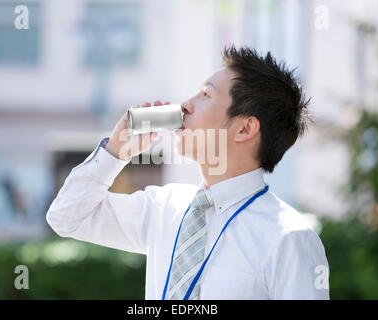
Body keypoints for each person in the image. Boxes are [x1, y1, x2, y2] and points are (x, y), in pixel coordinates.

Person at [46, 46, 330, 300]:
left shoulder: (288, 238)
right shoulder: (163, 208)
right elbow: (68, 217)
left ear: (245, 128)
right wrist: (114, 153)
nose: (185, 105)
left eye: (205, 94)